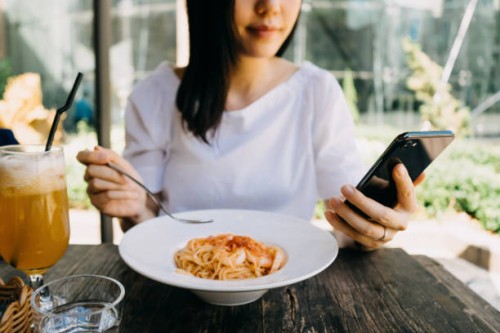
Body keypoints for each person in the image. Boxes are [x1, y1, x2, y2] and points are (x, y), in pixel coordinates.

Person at [77, 0, 423, 251]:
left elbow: (347, 222)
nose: (271, 7)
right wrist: (132, 204)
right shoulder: (155, 95)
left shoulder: (317, 92)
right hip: (181, 275)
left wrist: (373, 230)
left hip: (290, 277)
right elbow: (144, 218)